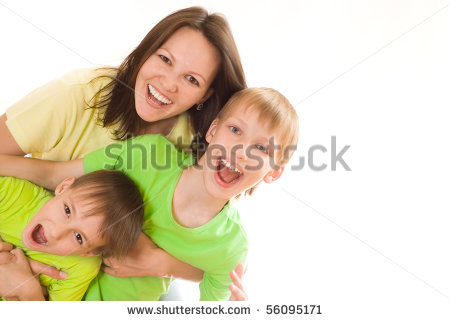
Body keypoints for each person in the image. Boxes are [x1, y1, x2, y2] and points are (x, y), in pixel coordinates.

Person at [0, 6, 246, 284]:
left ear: (206, 94)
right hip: (25, 235)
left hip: (109, 280)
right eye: (165, 59)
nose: (167, 84)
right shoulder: (78, 93)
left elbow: (221, 265)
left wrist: (163, 263)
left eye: (191, 79)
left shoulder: (198, 147)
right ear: (146, 52)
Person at [0, 87, 299, 300]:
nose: (241, 150)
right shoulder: (148, 153)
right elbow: (55, 174)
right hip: (51, 280)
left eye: (261, 148)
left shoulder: (231, 248)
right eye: (235, 130)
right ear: (212, 131)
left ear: (273, 172)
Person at [0, 170, 144, 300]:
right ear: (64, 187)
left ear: (89, 252)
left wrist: (29, 291)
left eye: (78, 237)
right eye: (67, 210)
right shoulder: (15, 194)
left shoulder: (81, 269)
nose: (56, 232)